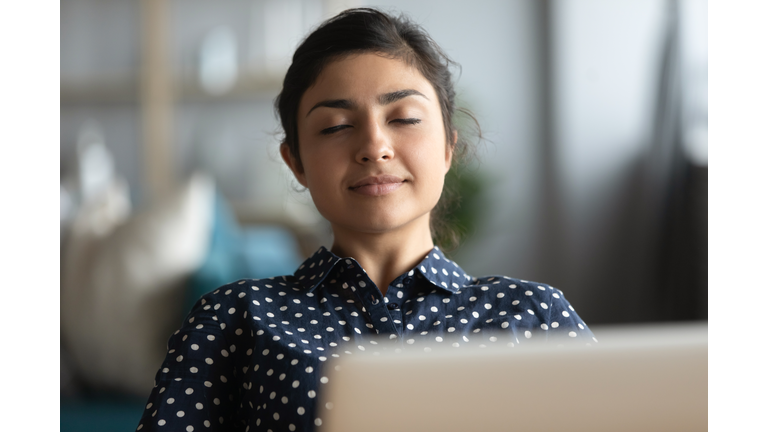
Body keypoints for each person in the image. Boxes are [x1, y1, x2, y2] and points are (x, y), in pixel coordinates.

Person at [136, 8, 595, 432]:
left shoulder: (533, 316)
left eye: (405, 118)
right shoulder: (235, 317)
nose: (374, 146)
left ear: (448, 147)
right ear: (295, 162)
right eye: (336, 126)